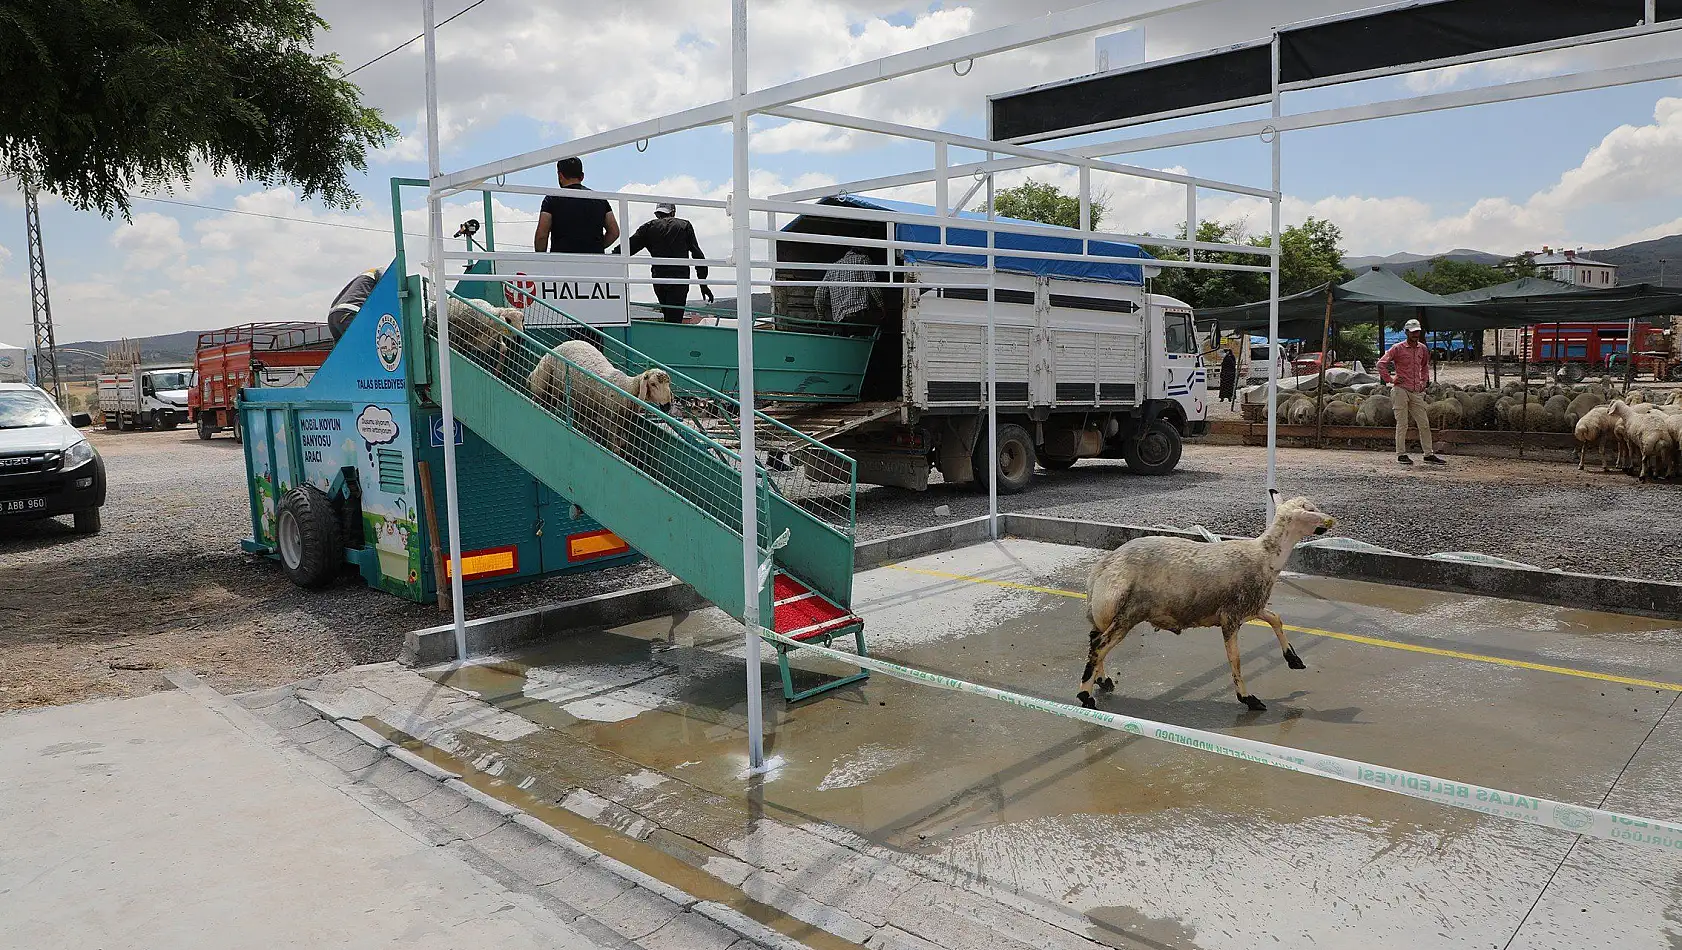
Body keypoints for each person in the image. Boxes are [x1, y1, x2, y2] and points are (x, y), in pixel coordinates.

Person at [619, 203, 713, 323]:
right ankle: (673, 339)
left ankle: (669, 337)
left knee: (667, 313)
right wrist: (703, 284)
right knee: (675, 318)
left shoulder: (648, 227)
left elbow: (627, 249)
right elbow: (698, 255)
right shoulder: (684, 225)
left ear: (658, 213)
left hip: (659, 279)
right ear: (673, 212)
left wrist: (607, 256)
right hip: (680, 279)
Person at [1377, 318, 1445, 466]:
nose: (1415, 335)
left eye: (1417, 332)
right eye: (1413, 332)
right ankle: (1401, 454)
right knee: (1402, 423)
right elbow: (1381, 364)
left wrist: (1423, 382)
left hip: (1415, 390)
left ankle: (1428, 454)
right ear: (1406, 332)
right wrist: (1390, 379)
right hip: (1400, 389)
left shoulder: (1422, 349)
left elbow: (1425, 366)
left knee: (1424, 423)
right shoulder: (1397, 348)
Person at [533, 156, 619, 254]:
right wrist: (596, 246)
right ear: (582, 176)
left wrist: (541, 258)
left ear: (560, 175)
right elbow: (614, 232)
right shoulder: (600, 199)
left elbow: (542, 236)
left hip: (562, 263)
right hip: (594, 264)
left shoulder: (552, 199)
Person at [327, 266, 384, 341]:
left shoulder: (363, 278)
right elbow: (385, 291)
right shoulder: (382, 273)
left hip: (333, 316)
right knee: (365, 344)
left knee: (344, 350)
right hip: (349, 313)